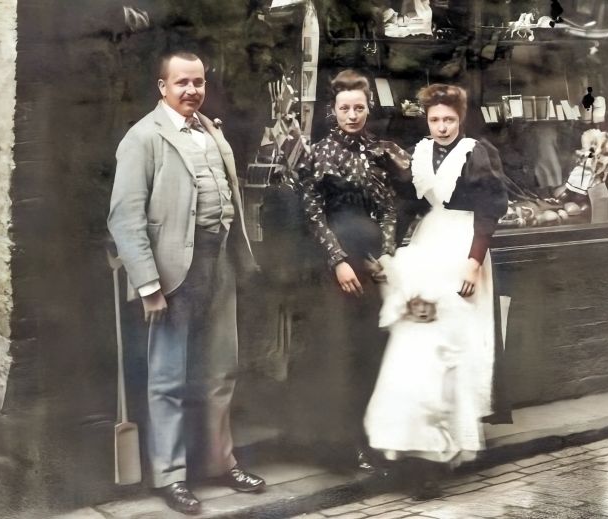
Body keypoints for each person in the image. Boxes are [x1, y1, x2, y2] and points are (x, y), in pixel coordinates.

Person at [107, 51, 265, 515]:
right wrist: (149, 286)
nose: (192, 90)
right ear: (162, 86)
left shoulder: (210, 131)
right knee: (168, 379)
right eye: (182, 83)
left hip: (220, 265)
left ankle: (220, 462)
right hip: (174, 275)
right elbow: (125, 218)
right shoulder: (143, 138)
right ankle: (171, 476)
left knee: (220, 372)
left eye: (198, 82)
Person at [364, 83, 509, 499]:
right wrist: (392, 248)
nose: (442, 126)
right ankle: (427, 443)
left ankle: (458, 438)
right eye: (435, 120)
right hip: (431, 240)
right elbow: (412, 202)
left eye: (449, 119)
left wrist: (474, 259)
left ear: (460, 119)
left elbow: (489, 208)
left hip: (465, 244)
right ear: (426, 120)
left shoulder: (477, 152)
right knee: (423, 339)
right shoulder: (422, 151)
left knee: (462, 341)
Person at [294, 69, 410, 472]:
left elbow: (390, 208)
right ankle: (342, 446)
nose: (353, 115)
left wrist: (389, 254)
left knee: (373, 352)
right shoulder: (319, 153)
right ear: (334, 110)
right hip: (338, 268)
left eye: (359, 108)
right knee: (342, 355)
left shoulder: (379, 151)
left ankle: (374, 439)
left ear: (367, 109)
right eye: (345, 108)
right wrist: (339, 260)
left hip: (374, 263)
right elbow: (312, 215)